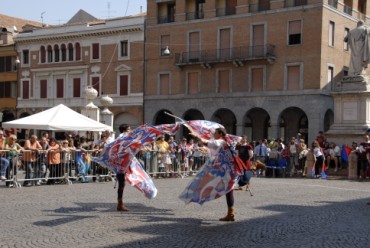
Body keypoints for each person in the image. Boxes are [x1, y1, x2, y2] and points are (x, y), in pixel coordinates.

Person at [191, 127, 237, 221]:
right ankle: (230, 213)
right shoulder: (226, 141)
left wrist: (198, 136)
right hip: (230, 170)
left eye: (215, 133)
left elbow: (207, 143)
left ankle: (201, 195)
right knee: (229, 191)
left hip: (226, 171)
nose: (214, 134)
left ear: (220, 134)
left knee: (215, 185)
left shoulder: (220, 141)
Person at [116, 124, 131, 211]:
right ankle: (120, 204)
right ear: (124, 131)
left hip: (123, 163)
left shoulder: (122, 138)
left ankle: (120, 203)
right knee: (121, 183)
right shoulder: (122, 138)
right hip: (120, 163)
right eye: (129, 129)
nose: (130, 130)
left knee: (122, 183)